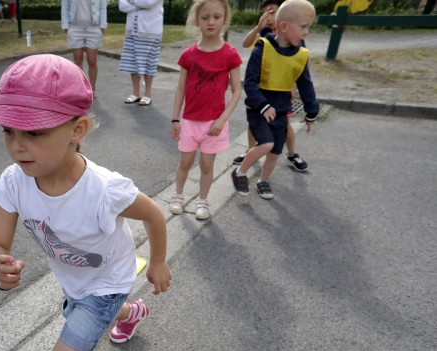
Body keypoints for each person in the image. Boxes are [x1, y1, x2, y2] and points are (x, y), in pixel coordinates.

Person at [0, 54, 172, 351]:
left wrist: (157, 263)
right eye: (8, 131)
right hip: (76, 279)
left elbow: (153, 215)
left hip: (107, 283)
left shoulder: (105, 191)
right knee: (94, 313)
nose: (17, 147)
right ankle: (130, 313)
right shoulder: (14, 181)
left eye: (34, 133)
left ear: (78, 129)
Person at [231, 0, 318, 200]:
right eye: (303, 27)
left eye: (308, 27)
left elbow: (306, 85)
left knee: (275, 152)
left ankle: (263, 181)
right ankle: (239, 173)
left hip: (281, 110)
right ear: (284, 26)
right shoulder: (263, 47)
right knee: (267, 144)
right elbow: (250, 84)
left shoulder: (301, 55)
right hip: (258, 108)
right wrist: (263, 105)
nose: (307, 32)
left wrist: (312, 112)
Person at [169, 0, 242, 220]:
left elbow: (237, 91)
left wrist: (222, 119)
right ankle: (178, 195)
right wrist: (175, 119)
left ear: (225, 19)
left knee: (207, 164)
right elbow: (181, 89)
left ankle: (202, 200)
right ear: (196, 20)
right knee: (185, 162)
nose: (211, 22)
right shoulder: (189, 55)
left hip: (215, 123)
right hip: (190, 121)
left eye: (217, 17)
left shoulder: (230, 55)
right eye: (205, 17)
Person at [118, 0, 164, 106]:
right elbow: (122, 5)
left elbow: (148, 3)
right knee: (132, 61)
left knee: (149, 62)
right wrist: (139, 5)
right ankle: (136, 93)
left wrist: (132, 2)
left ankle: (147, 94)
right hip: (132, 30)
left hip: (150, 30)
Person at [61, 0, 108, 98]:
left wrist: (102, 26)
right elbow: (64, 7)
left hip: (94, 27)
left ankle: (92, 88)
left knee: (92, 61)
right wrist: (66, 26)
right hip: (75, 27)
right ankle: (81, 89)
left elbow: (103, 7)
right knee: (78, 60)